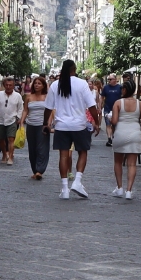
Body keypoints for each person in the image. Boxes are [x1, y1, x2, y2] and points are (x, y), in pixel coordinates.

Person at [46, 59, 100, 199]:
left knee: (63, 156)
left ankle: (64, 189)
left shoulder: (55, 85)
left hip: (61, 125)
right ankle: (77, 181)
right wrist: (97, 122)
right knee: (83, 152)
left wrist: (45, 123)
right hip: (79, 125)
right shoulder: (82, 84)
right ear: (74, 69)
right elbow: (92, 106)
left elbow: (48, 107)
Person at [109, 83, 141, 199]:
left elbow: (114, 121)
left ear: (124, 89)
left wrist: (110, 119)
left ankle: (119, 188)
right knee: (132, 164)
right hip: (135, 133)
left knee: (118, 162)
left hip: (120, 133)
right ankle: (129, 191)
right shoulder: (140, 104)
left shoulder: (118, 103)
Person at [24, 74, 52, 180]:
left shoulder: (47, 97)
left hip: (42, 125)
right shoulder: (28, 97)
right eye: (35, 83)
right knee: (32, 148)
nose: (36, 85)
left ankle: (40, 170)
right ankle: (35, 170)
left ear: (43, 85)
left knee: (42, 148)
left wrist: (48, 123)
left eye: (39, 83)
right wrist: (21, 121)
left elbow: (51, 111)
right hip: (31, 124)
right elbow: (25, 110)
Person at [0, 77, 22, 165]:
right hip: (0, 120)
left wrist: (18, 118)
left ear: (13, 86)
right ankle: (4, 154)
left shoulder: (17, 96)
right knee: (0, 139)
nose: (8, 87)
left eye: (10, 85)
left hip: (12, 120)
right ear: (4, 85)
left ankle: (10, 157)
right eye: (6, 85)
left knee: (11, 139)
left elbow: (20, 108)